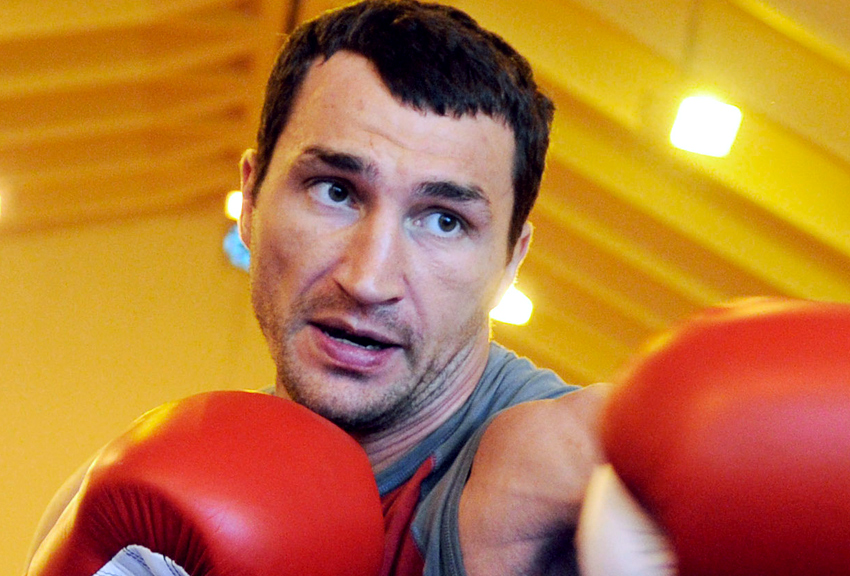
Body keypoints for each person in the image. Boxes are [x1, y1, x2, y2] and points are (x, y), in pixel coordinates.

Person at [26, 1, 609, 574]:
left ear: (510, 263)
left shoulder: (566, 472)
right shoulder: (131, 517)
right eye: (335, 190)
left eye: (444, 221)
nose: (368, 280)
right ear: (250, 200)